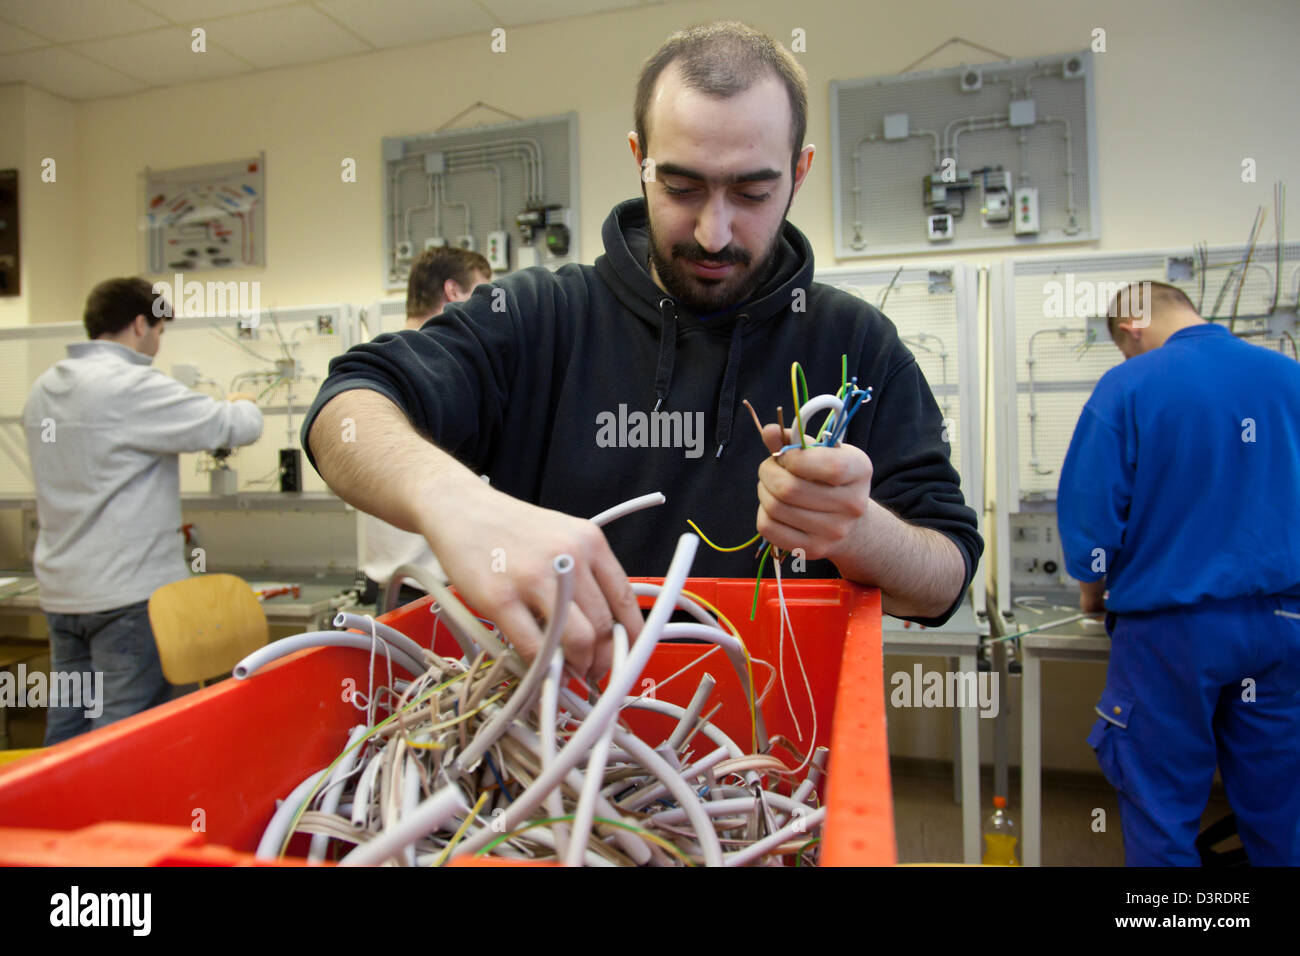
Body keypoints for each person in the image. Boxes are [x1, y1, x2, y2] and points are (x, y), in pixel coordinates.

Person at [302, 21, 982, 679]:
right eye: (682, 188)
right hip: (553, 746)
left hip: (771, 759)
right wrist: (456, 505)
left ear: (799, 172)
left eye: (752, 192)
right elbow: (346, 409)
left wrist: (859, 531)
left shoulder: (858, 344)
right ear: (640, 161)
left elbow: (943, 579)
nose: (714, 233)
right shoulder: (542, 317)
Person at [1058, 280, 1300, 865]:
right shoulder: (1288, 376)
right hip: (1284, 625)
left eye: (1122, 345)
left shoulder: (1130, 385)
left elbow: (1092, 516)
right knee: (1281, 809)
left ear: (1131, 327)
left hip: (1170, 634)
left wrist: (1093, 592)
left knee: (1162, 810)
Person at [22, 277, 264, 744]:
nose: (157, 343)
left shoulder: (44, 388)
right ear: (140, 324)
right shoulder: (132, 385)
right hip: (126, 599)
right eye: (159, 331)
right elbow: (232, 426)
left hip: (62, 595)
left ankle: (52, 816)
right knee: (126, 736)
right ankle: (111, 817)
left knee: (68, 729)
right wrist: (243, 402)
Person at [360, 247, 491, 608]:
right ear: (453, 293)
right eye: (480, 293)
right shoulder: (442, 368)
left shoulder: (375, 363)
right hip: (435, 593)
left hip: (392, 588)